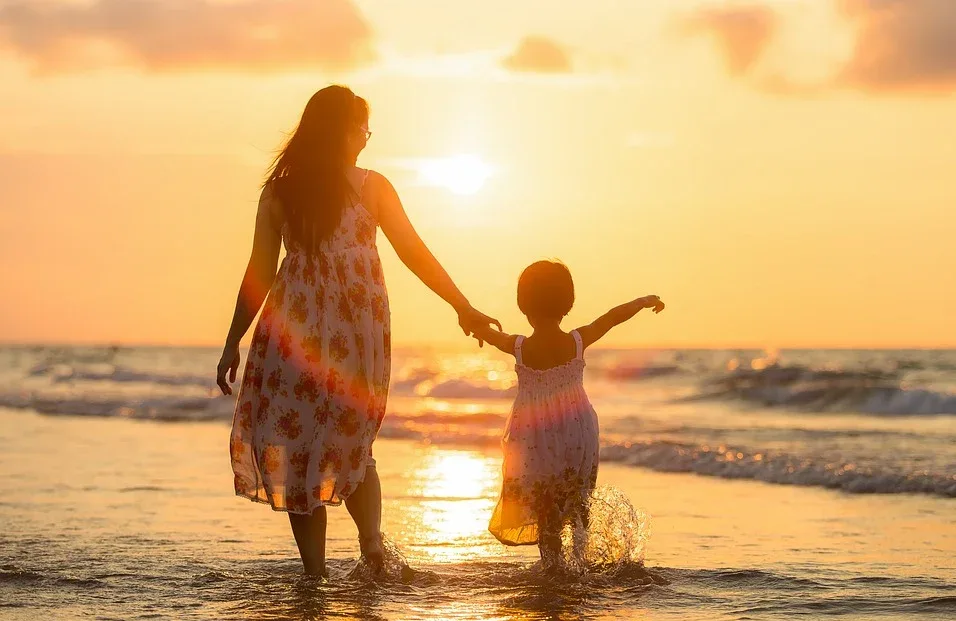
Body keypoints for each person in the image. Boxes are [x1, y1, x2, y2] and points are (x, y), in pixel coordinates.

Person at [215, 85, 499, 577]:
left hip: (292, 334)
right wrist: (462, 306)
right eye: (363, 128)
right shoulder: (370, 186)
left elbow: (259, 272)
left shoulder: (281, 190)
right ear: (345, 130)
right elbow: (414, 252)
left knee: (298, 444)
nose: (367, 138)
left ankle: (315, 575)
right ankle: (372, 552)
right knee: (352, 441)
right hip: (354, 332)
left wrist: (233, 341)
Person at [471, 260, 664, 569]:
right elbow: (612, 318)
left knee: (545, 506)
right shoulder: (576, 341)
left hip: (535, 437)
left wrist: (473, 325)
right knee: (578, 500)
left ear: (523, 305)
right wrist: (642, 302)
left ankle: (554, 566)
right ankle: (580, 562)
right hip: (578, 431)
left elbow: (490, 335)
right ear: (568, 303)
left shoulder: (519, 346)